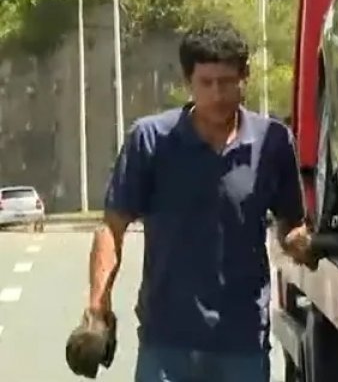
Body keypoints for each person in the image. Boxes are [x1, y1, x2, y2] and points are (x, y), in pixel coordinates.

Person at [78, 22, 312, 382]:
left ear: (244, 77)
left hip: (243, 341)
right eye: (206, 83)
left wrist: (307, 243)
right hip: (167, 342)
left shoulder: (273, 143)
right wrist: (98, 305)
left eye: (227, 82)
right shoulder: (151, 140)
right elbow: (113, 228)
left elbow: (290, 227)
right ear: (189, 82)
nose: (217, 94)